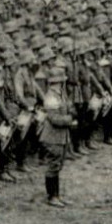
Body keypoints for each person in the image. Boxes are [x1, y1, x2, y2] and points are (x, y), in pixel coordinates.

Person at [40, 69, 76, 208]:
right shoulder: (51, 97)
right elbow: (55, 119)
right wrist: (70, 118)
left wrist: (72, 113)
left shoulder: (60, 94)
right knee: (53, 165)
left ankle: (56, 195)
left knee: (58, 165)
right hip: (52, 136)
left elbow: (70, 107)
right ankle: (52, 196)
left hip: (61, 136)